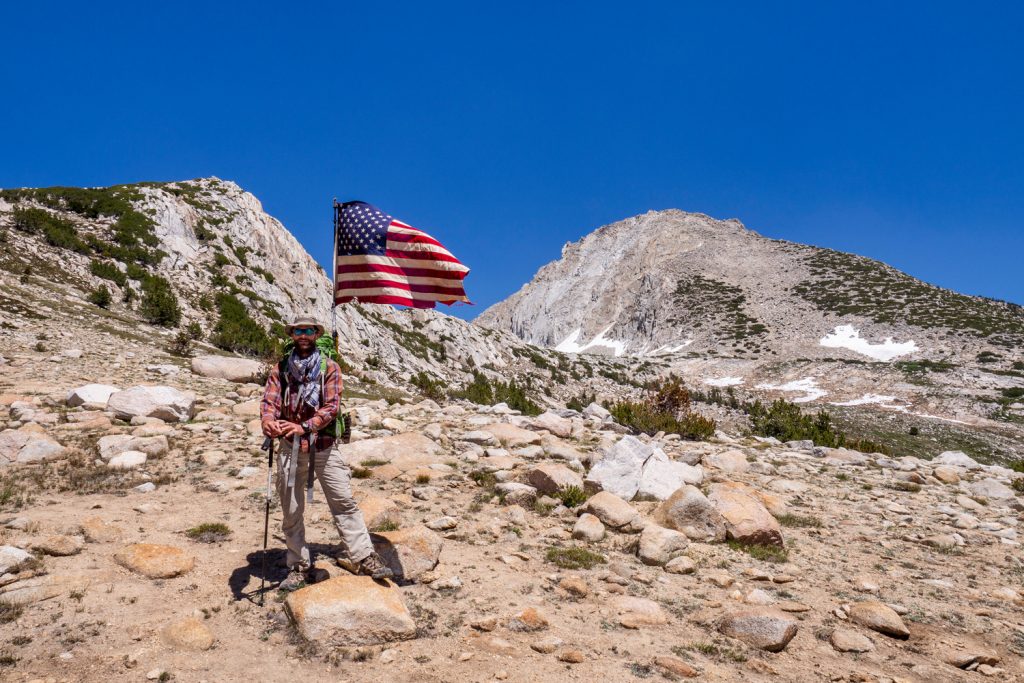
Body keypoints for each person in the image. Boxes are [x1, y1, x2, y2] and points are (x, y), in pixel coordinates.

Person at [260, 314, 393, 588]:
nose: (303, 335)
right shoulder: (281, 368)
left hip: (323, 445)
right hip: (289, 446)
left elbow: (331, 407)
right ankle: (298, 565)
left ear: (316, 333)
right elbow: (270, 401)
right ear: (292, 335)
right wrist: (268, 422)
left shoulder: (329, 367)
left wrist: (305, 427)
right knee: (291, 510)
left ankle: (364, 556)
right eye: (298, 331)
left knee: (343, 501)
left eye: (308, 330)